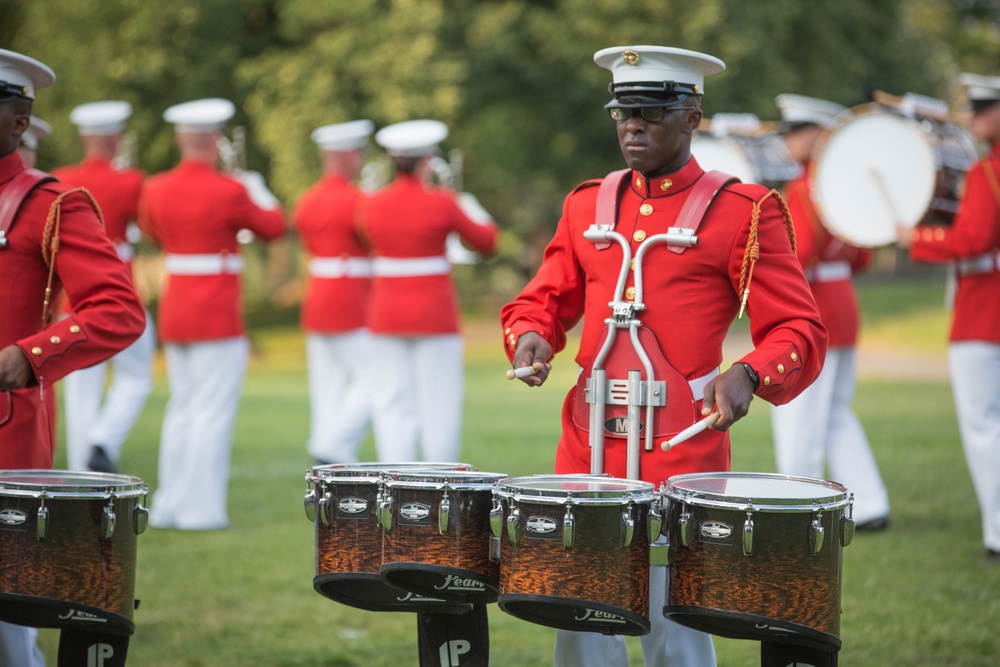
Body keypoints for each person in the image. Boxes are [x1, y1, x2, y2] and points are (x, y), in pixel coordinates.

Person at [500, 45, 827, 667]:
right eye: (622, 113)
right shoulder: (586, 205)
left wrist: (750, 372)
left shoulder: (745, 213)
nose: (633, 126)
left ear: (692, 116)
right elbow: (540, 300)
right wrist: (533, 333)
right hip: (586, 443)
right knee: (580, 620)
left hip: (681, 448)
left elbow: (799, 328)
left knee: (671, 625)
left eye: (650, 113)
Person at [0, 48, 145, 667]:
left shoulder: (52, 204)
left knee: (7, 627)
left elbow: (119, 311)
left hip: (5, 433)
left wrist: (28, 355)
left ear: (19, 122)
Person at [139, 97, 286, 530]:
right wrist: (253, 186)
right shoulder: (231, 188)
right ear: (215, 139)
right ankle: (200, 510)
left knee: (183, 406)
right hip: (217, 313)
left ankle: (169, 504)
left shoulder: (156, 187)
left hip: (177, 308)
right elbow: (274, 227)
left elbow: (150, 230)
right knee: (211, 410)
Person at [769, 93, 891, 531]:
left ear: (820, 136)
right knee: (837, 410)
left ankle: (797, 504)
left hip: (810, 304)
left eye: (796, 131)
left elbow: (794, 256)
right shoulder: (846, 187)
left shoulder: (803, 189)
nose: (787, 139)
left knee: (797, 413)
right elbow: (860, 257)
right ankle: (870, 502)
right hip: (842, 301)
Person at [897, 72, 1000, 562]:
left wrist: (914, 238)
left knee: (984, 427)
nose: (974, 116)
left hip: (984, 310)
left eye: (984, 108)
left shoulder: (986, 173)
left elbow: (971, 241)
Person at [359, 119, 498, 462]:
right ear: (427, 161)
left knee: (392, 402)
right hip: (433, 314)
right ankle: (441, 479)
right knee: (440, 402)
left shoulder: (372, 203)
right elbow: (486, 240)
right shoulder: (442, 202)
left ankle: (395, 478)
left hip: (387, 314)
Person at [53, 100, 156, 473]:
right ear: (115, 138)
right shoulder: (131, 179)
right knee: (138, 375)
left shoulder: (60, 177)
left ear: (83, 137)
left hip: (74, 293)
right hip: (120, 286)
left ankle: (84, 471)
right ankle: (104, 438)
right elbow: (148, 228)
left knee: (81, 389)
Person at [294, 119, 375, 465]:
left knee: (327, 386)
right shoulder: (359, 200)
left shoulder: (307, 200)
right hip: (349, 299)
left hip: (317, 296)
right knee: (379, 376)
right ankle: (333, 441)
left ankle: (330, 458)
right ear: (348, 156)